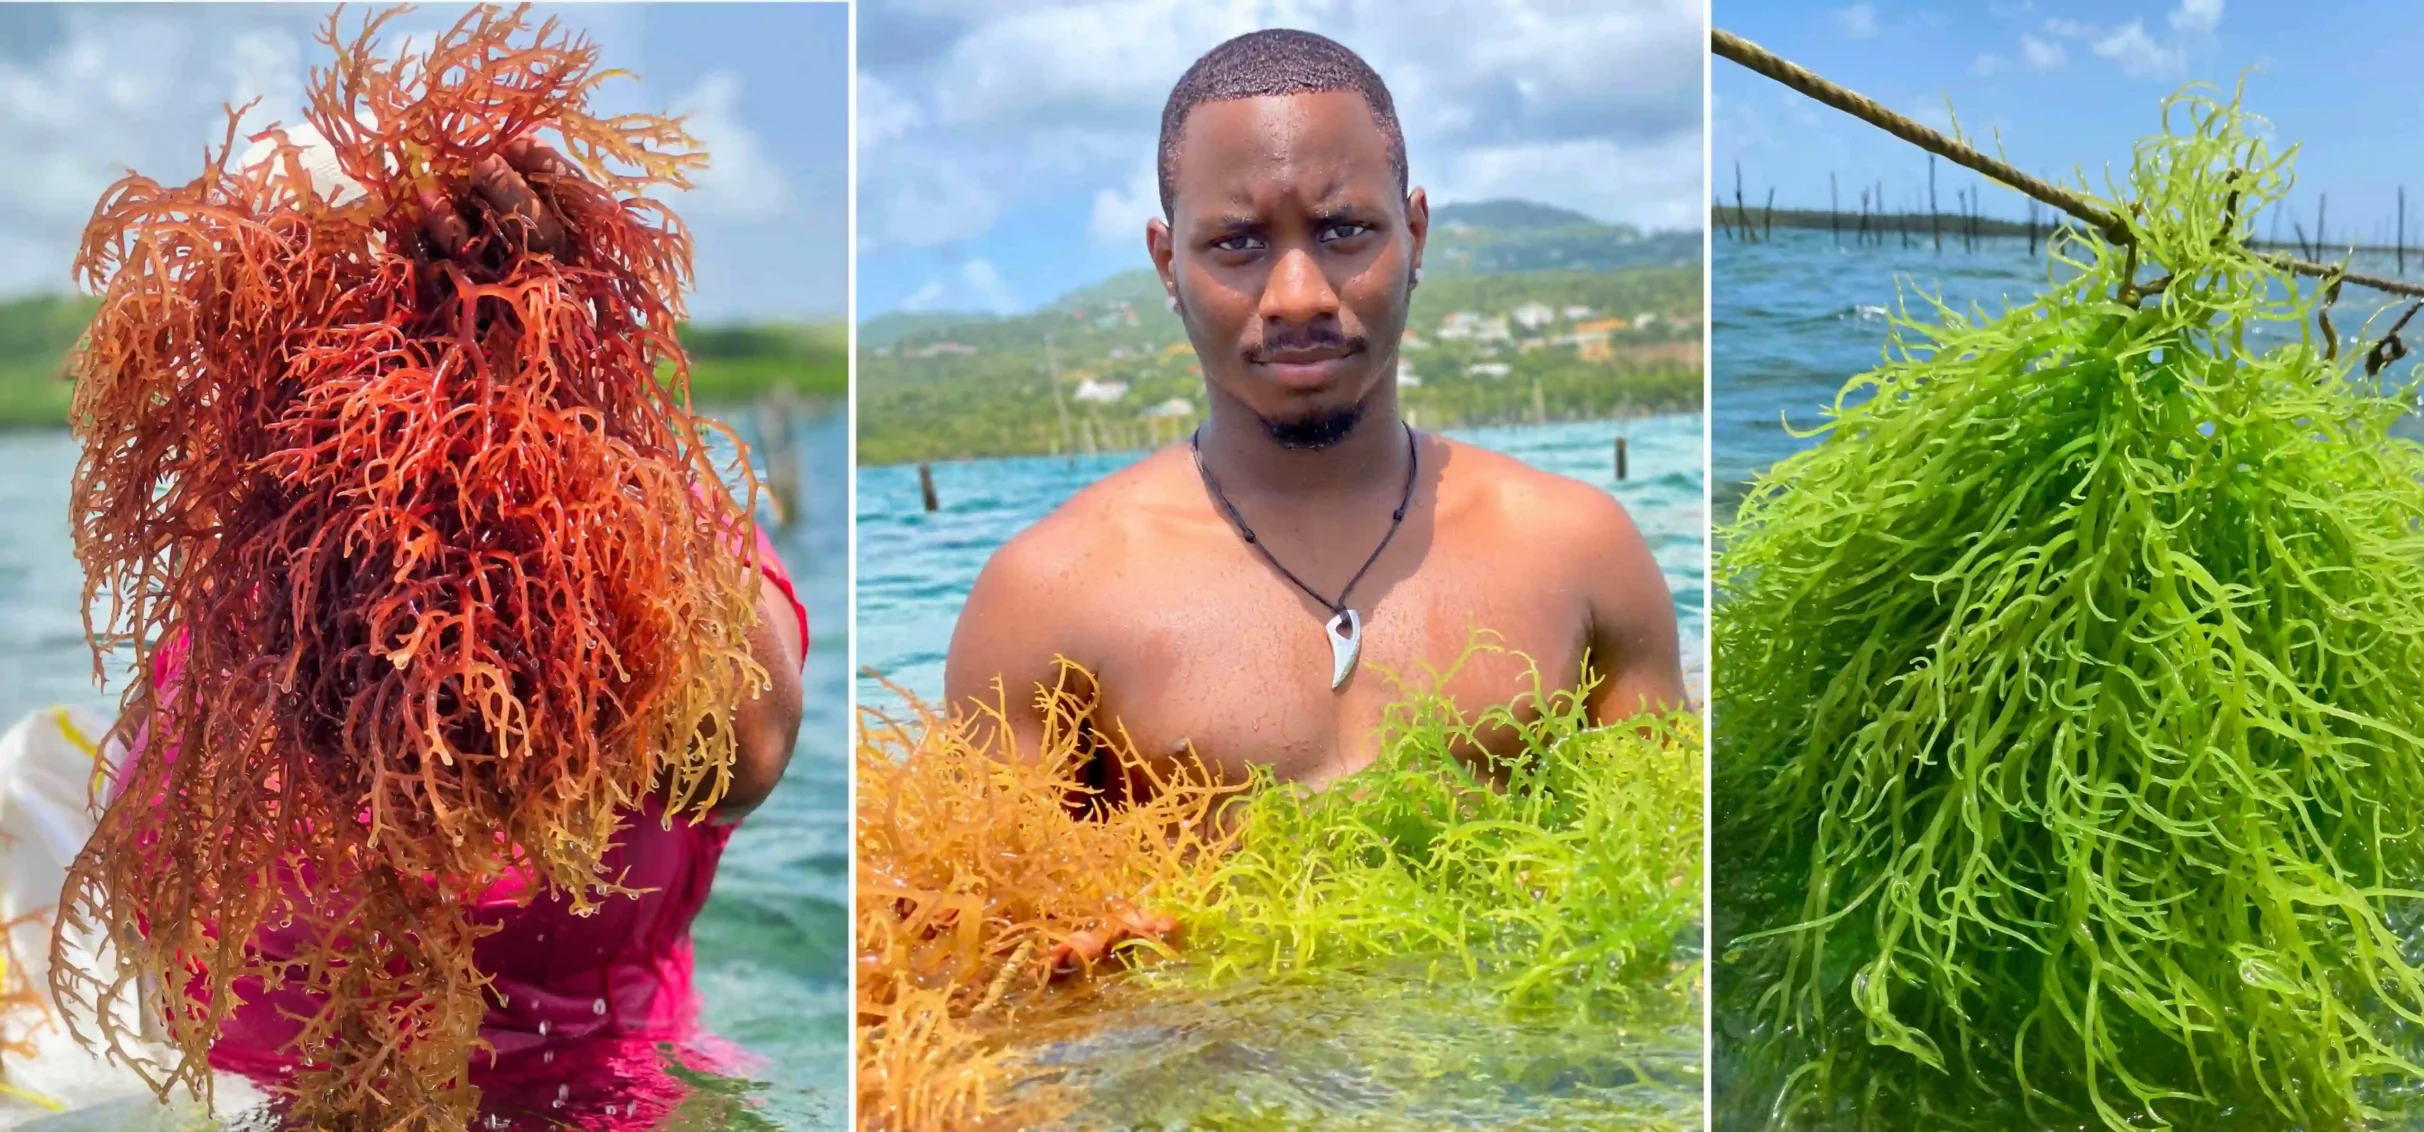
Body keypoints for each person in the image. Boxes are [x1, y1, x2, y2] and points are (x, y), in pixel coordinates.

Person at [98, 133, 811, 1122]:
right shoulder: (248, 545)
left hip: (586, 1098)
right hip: (247, 1096)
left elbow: (744, 759)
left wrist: (579, 400)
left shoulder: (639, 519)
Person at [945, 30, 1684, 871]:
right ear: (1164, 264)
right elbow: (987, 950)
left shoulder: (1579, 548)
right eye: (1238, 243)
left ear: (1415, 238)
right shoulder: (1045, 597)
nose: (1299, 296)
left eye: (1345, 231)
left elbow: (1668, 886)